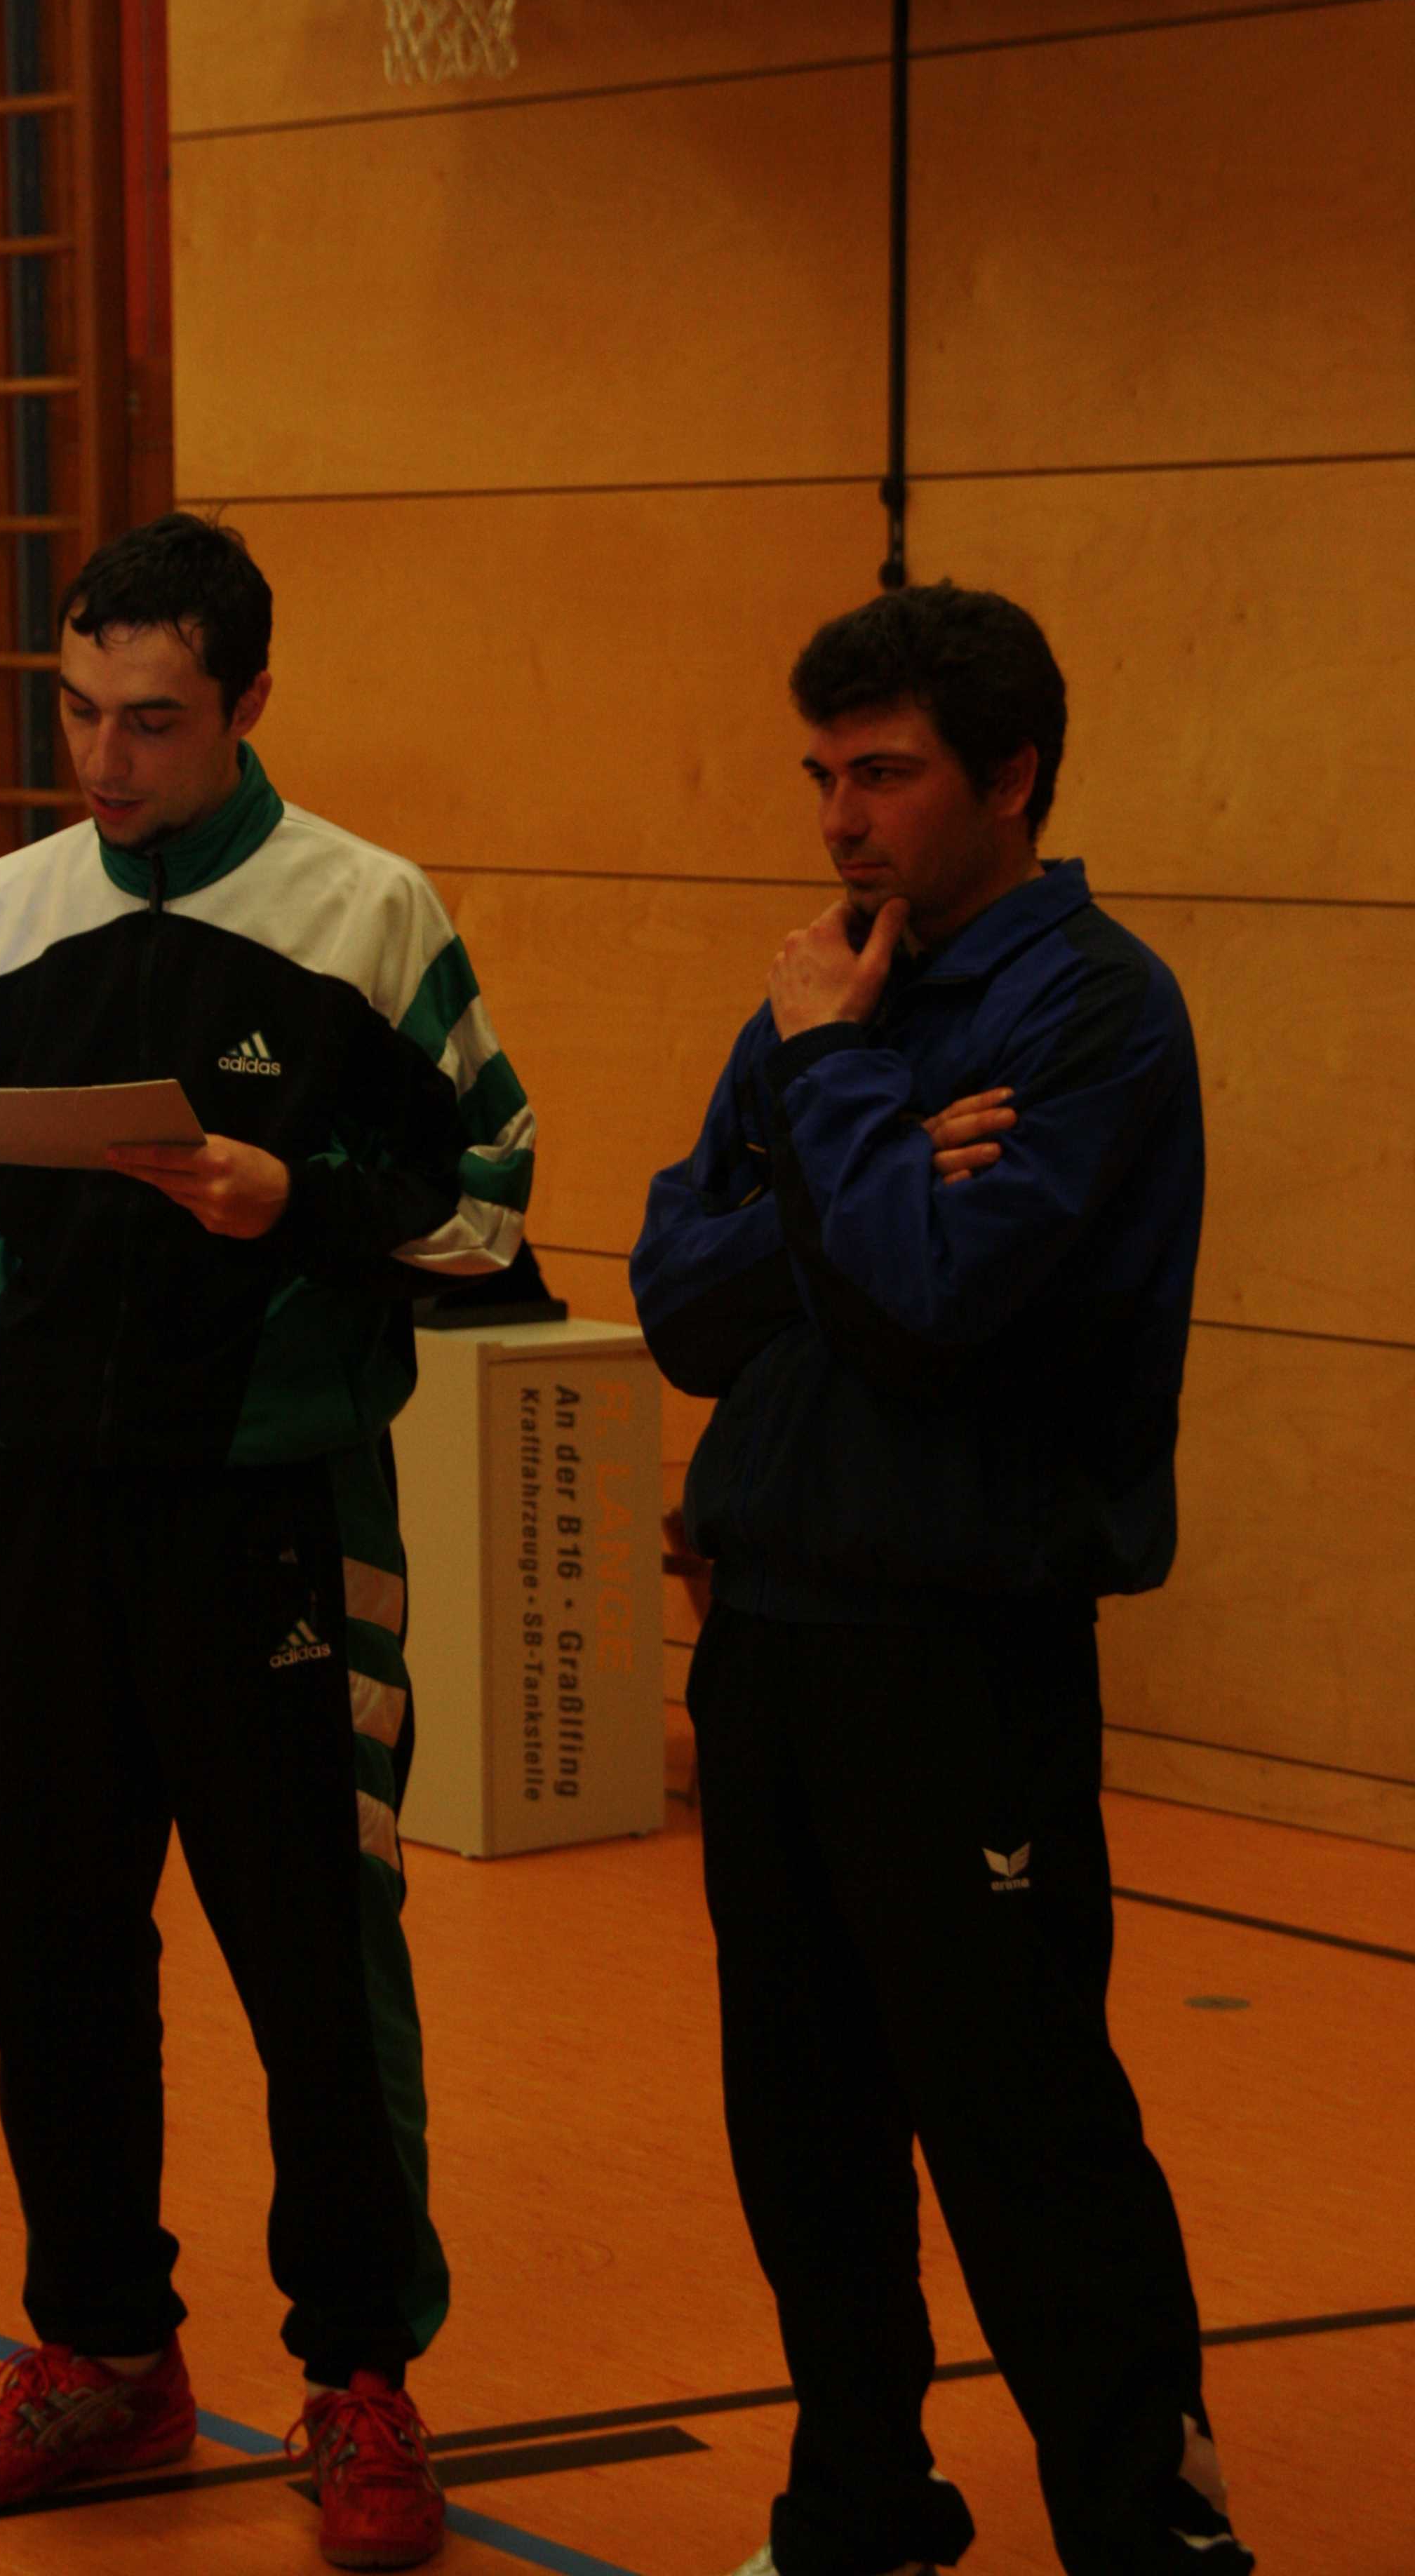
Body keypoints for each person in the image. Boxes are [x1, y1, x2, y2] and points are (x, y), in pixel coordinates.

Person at [0, 511, 533, 2566]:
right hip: (44, 1528)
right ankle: (104, 2354)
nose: (104, 760)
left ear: (247, 702)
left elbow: (495, 1217)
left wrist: (295, 1202)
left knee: (317, 1971)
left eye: (151, 721)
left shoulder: (369, 913)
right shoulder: (6, 913)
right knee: (56, 1958)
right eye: (78, 711)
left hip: (272, 1523)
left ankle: (362, 2378)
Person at [630, 583, 1253, 2576]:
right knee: (804, 2122)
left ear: (1012, 775)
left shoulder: (1094, 1009)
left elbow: (933, 1301)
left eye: (884, 774)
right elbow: (678, 1299)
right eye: (822, 774)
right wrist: (873, 1152)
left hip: (961, 1647)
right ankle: (865, 2508)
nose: (840, 818)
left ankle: (1150, 2531)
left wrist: (835, 1111)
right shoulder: (827, 990)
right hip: (769, 1634)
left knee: (1021, 2119)